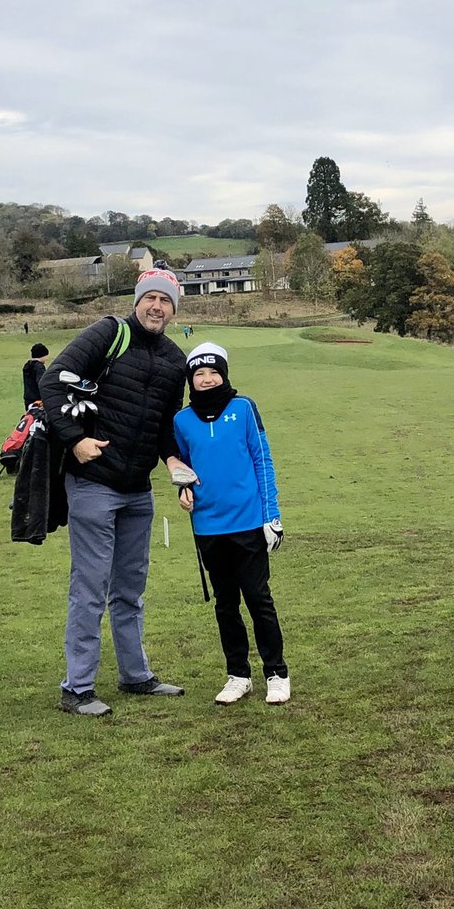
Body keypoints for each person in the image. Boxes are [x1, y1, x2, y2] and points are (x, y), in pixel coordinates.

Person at [39, 269, 191, 717]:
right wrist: (74, 439)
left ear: (174, 309)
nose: (157, 307)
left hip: (137, 492)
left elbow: (165, 425)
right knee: (89, 588)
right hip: (93, 485)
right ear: (138, 301)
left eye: (166, 301)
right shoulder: (109, 333)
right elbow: (53, 381)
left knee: (130, 590)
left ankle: (135, 676)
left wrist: (173, 460)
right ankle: (77, 688)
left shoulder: (174, 359)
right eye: (151, 299)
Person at [174, 342, 290, 706]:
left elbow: (262, 460)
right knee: (225, 604)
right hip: (208, 526)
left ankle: (276, 672)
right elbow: (182, 466)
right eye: (199, 374)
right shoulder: (182, 420)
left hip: (249, 523)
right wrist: (183, 490)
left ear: (223, 374)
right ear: (191, 381)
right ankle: (238, 675)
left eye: (213, 372)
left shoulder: (243, 408)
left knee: (258, 599)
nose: (207, 380)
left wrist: (272, 515)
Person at [22, 343, 49, 407]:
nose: (47, 358)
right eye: (46, 356)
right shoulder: (39, 367)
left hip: (28, 399)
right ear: (42, 355)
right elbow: (42, 383)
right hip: (37, 400)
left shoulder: (27, 365)